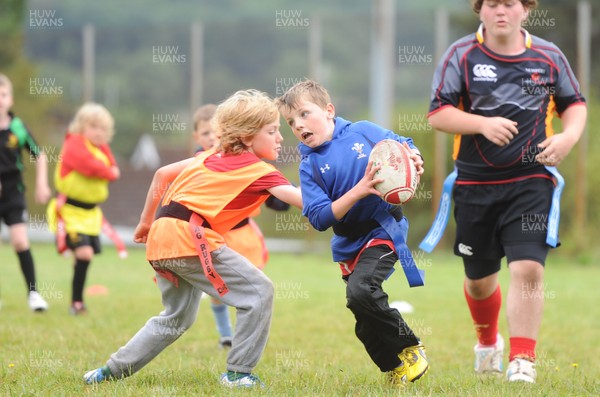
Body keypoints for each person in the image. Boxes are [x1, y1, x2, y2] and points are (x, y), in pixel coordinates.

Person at [83, 89, 302, 388]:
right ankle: (239, 374)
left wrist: (145, 223)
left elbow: (161, 174)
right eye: (273, 130)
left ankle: (108, 372)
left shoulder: (211, 155)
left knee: (176, 318)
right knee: (259, 292)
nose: (280, 138)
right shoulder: (257, 169)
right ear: (249, 136)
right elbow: (306, 202)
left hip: (162, 237)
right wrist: (356, 192)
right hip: (189, 239)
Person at [426, 0, 587, 383]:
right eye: (492, 3)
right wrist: (481, 124)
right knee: (480, 281)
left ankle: (523, 359)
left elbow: (574, 105)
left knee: (528, 267)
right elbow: (438, 114)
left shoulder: (548, 56)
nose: (501, 11)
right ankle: (487, 342)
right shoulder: (461, 55)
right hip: (474, 184)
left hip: (532, 180)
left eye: (510, 3)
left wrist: (569, 137)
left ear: (526, 9)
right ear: (479, 10)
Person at [277, 79, 429, 387]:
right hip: (348, 242)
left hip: (383, 227)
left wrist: (414, 157)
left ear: (329, 111)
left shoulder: (363, 131)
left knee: (362, 289)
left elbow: (402, 142)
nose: (299, 125)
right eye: (292, 122)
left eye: (305, 114)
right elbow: (320, 218)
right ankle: (395, 368)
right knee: (360, 311)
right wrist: (358, 191)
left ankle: (410, 347)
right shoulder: (309, 167)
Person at [191, 103, 289, 349]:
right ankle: (226, 335)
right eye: (206, 134)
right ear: (197, 137)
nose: (212, 138)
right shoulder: (201, 163)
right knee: (220, 289)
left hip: (244, 234)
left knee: (254, 286)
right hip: (215, 236)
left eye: (216, 132)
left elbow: (262, 185)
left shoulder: (250, 162)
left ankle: (245, 336)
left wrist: (278, 199)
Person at [46, 103, 121, 315]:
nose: (99, 132)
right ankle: (76, 303)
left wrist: (108, 171)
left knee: (85, 257)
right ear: (81, 126)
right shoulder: (74, 143)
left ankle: (76, 301)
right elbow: (91, 167)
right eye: (94, 126)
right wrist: (107, 171)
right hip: (70, 212)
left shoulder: (101, 148)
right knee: (85, 254)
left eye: (103, 128)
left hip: (90, 214)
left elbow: (115, 170)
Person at [0, 73, 51, 312]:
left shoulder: (18, 127)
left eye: (3, 95)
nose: (0, 99)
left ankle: (33, 294)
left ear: (10, 99)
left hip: (13, 192)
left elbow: (39, 155)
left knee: (20, 241)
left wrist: (42, 184)